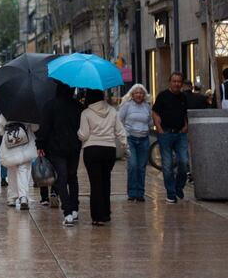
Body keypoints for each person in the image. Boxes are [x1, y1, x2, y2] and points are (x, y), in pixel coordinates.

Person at [36, 82, 84, 226]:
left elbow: (44, 128)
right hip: (74, 147)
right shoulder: (78, 107)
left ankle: (67, 212)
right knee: (72, 177)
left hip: (56, 148)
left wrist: (40, 145)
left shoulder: (50, 106)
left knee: (61, 178)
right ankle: (74, 208)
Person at [78, 90, 126, 226]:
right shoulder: (112, 111)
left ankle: (97, 216)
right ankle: (106, 213)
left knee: (95, 183)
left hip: (92, 150)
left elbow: (84, 135)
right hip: (109, 149)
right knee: (106, 180)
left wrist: (78, 133)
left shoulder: (86, 113)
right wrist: (124, 144)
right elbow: (120, 130)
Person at [151, 72, 189, 204]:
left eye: (179, 81)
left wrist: (186, 126)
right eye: (174, 81)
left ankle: (179, 187)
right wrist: (159, 129)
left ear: (182, 83)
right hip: (165, 134)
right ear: (170, 82)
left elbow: (185, 113)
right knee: (167, 165)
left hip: (180, 134)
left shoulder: (184, 97)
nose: (177, 84)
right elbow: (155, 112)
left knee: (184, 162)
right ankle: (171, 193)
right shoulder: (163, 96)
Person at [0, 114, 39, 210]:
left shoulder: (5, 113)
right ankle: (23, 197)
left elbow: (0, 131)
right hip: (26, 146)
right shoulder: (28, 111)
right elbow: (35, 128)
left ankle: (12, 198)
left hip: (10, 146)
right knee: (23, 171)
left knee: (11, 172)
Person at [118, 84, 153, 202]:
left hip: (144, 139)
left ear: (144, 95)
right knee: (133, 166)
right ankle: (132, 192)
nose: (139, 95)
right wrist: (124, 135)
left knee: (141, 167)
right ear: (132, 94)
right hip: (130, 139)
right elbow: (119, 120)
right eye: (136, 93)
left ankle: (140, 193)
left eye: (141, 93)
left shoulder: (147, 107)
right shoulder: (127, 106)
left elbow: (150, 122)